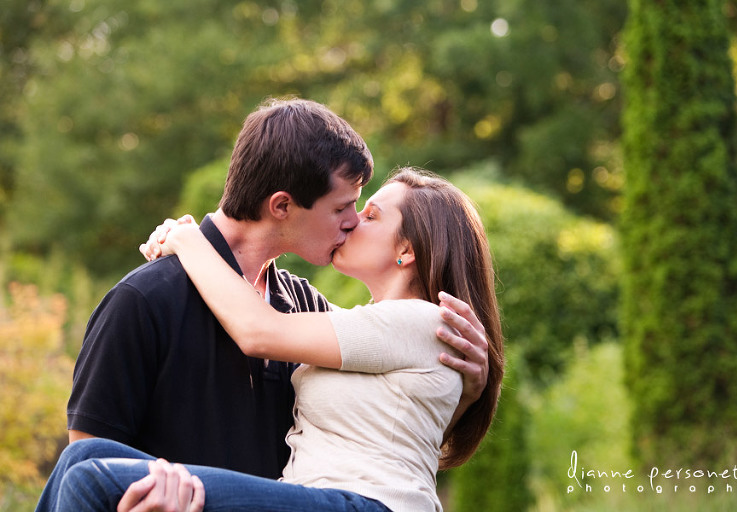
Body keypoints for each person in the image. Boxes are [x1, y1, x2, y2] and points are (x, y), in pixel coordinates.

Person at [44, 98, 488, 496]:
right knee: (82, 463)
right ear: (282, 206)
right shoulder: (144, 299)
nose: (352, 221)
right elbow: (91, 453)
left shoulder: (303, 306)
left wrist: (466, 386)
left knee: (85, 471)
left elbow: (395, 423)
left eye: (363, 210)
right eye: (342, 208)